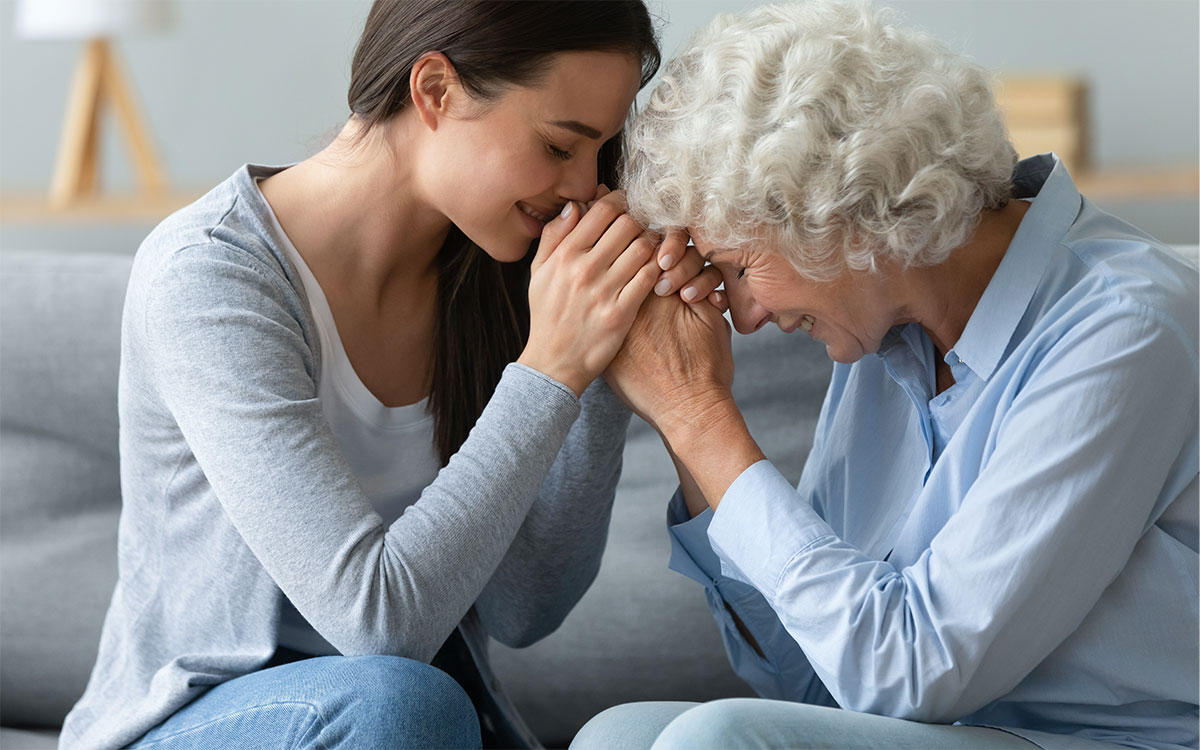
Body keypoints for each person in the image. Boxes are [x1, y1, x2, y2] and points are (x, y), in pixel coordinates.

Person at [59, 2, 722, 748]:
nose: (582, 185)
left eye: (600, 153)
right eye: (558, 145)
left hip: (407, 722)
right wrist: (553, 365)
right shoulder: (211, 276)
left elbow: (524, 609)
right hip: (203, 722)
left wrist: (603, 352)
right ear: (435, 89)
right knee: (403, 704)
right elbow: (379, 624)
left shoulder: (504, 268)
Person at [575, 2, 1200, 749]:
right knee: (619, 736)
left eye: (739, 268)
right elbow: (807, 682)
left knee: (714, 741)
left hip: (1121, 742)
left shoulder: (1126, 326)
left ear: (845, 210)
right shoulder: (883, 335)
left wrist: (699, 418)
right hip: (962, 732)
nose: (741, 315)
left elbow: (912, 673)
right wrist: (688, 414)